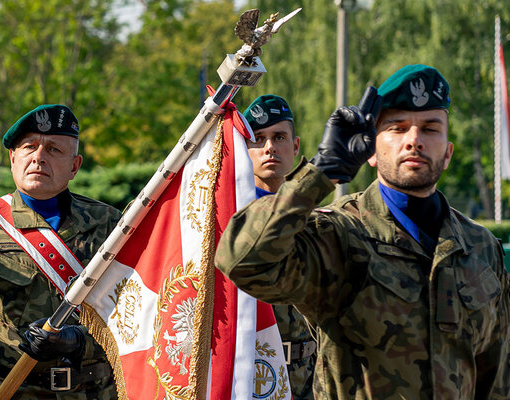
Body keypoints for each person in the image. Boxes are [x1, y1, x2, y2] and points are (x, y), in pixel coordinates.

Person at [216, 65, 510, 399]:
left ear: (448, 154)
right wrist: (319, 174)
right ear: (371, 151)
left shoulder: (481, 247)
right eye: (397, 128)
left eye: (430, 128)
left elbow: (496, 375)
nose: (414, 140)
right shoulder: (337, 233)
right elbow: (240, 259)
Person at [0, 105, 120, 399]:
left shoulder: (112, 227)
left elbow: (138, 319)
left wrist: (79, 341)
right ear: (13, 158)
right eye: (29, 147)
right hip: (11, 391)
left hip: (95, 392)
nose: (39, 157)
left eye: (54, 150)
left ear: (75, 166)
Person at [241, 94, 315, 399]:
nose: (270, 147)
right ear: (246, 150)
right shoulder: (232, 221)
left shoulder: (316, 218)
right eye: (259, 139)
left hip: (310, 376)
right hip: (250, 375)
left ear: (295, 146)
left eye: (279, 137)